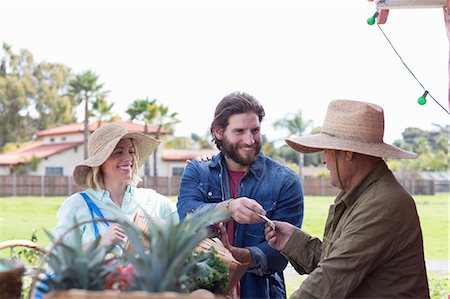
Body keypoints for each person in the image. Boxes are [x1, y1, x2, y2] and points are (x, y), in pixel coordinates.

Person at [264, 99, 429, 298]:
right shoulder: (362, 195)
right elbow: (338, 259)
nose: (323, 159)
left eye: (327, 150)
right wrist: (293, 241)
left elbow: (331, 279)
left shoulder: (382, 205)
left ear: (349, 152)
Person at [177, 91, 304, 299]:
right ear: (218, 132)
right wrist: (228, 208)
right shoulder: (197, 172)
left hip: (261, 293)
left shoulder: (286, 181)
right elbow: (186, 217)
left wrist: (234, 256)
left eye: (255, 130)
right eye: (239, 131)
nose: (249, 140)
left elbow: (281, 255)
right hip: (202, 291)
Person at [52, 122, 179, 249]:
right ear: (100, 162)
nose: (128, 158)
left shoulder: (153, 201)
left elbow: (187, 225)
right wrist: (101, 243)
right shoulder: (77, 205)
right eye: (118, 152)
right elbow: (56, 259)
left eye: (131, 151)